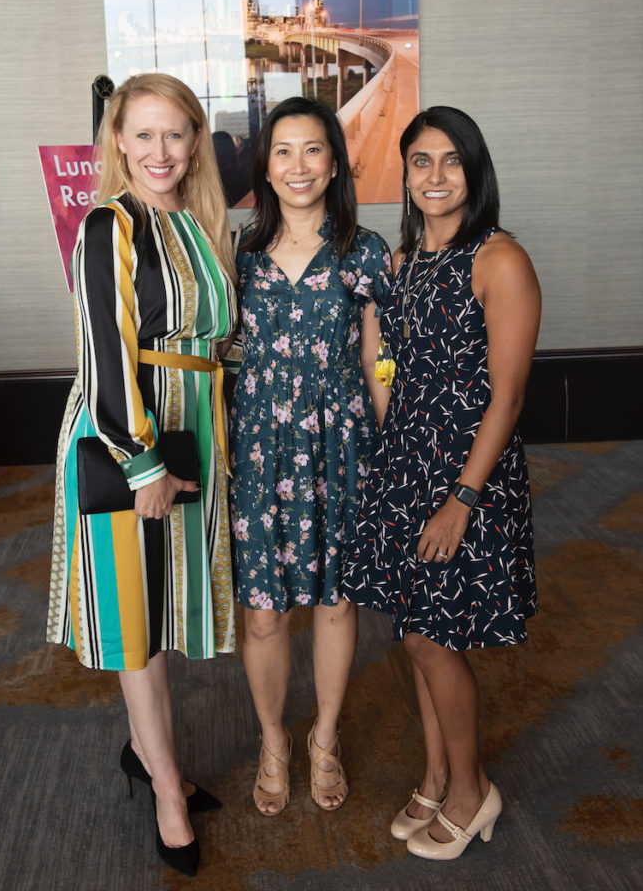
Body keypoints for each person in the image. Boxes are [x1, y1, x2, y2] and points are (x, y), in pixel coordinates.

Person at [46, 73, 238, 877]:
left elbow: (215, 341)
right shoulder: (109, 225)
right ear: (118, 141)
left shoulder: (198, 224)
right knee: (135, 619)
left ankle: (144, 751)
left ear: (196, 142)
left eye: (177, 134)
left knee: (159, 610)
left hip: (194, 432)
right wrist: (143, 461)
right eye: (144, 135)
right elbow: (104, 353)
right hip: (132, 443)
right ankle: (165, 788)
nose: (161, 151)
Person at [341, 106, 541, 860]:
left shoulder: (500, 259)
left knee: (431, 636)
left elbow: (509, 396)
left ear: (475, 170)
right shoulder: (403, 265)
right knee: (417, 629)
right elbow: (390, 367)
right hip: (406, 467)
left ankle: (471, 789)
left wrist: (461, 498)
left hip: (467, 476)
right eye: (421, 162)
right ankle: (434, 776)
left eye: (451, 161)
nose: (435, 176)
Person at [229, 97, 391, 816]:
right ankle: (274, 740)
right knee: (263, 612)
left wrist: (389, 456)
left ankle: (324, 736)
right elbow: (223, 359)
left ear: (334, 163)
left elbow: (377, 358)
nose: (299, 166)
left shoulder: (365, 250)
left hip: (340, 445)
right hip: (261, 451)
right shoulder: (239, 251)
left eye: (314, 149)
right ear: (265, 166)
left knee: (334, 600)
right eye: (284, 151)